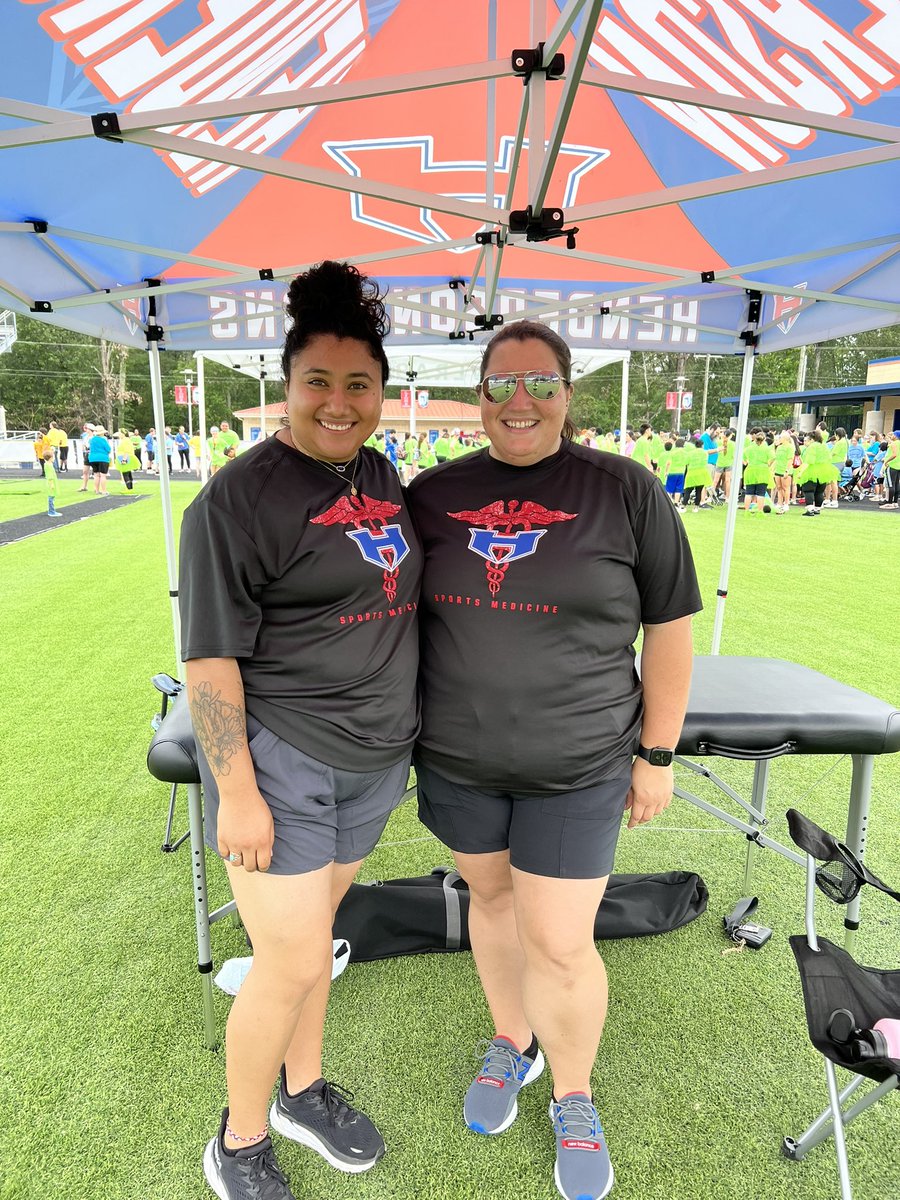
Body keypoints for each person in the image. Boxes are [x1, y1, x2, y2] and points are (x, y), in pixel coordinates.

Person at [407, 319, 701, 1200]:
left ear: (569, 393)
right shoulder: (431, 494)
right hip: (458, 759)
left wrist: (658, 753)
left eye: (539, 381)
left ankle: (571, 1092)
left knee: (563, 943)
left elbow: (672, 633)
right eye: (500, 383)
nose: (519, 400)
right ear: (480, 396)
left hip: (580, 762)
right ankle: (513, 1042)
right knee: (492, 905)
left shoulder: (626, 490)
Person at [179, 260, 423, 1200]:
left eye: (357, 384)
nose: (338, 401)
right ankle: (238, 1144)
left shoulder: (378, 470)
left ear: (381, 393)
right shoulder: (235, 502)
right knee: (284, 964)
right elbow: (210, 663)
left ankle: (303, 1092)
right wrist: (236, 792)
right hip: (282, 765)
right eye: (317, 382)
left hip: (373, 761)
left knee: (315, 943)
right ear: (286, 386)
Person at [87, 425, 112, 496]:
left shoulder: (92, 439)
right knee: (103, 475)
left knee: (96, 475)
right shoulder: (103, 440)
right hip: (102, 458)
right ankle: (104, 491)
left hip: (92, 458)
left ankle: (97, 490)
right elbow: (108, 449)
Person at [42, 449, 62, 517]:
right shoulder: (49, 466)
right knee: (51, 497)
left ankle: (52, 511)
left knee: (51, 497)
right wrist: (52, 484)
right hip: (51, 483)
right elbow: (50, 476)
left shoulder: (47, 464)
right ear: (50, 458)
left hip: (51, 482)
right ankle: (51, 511)